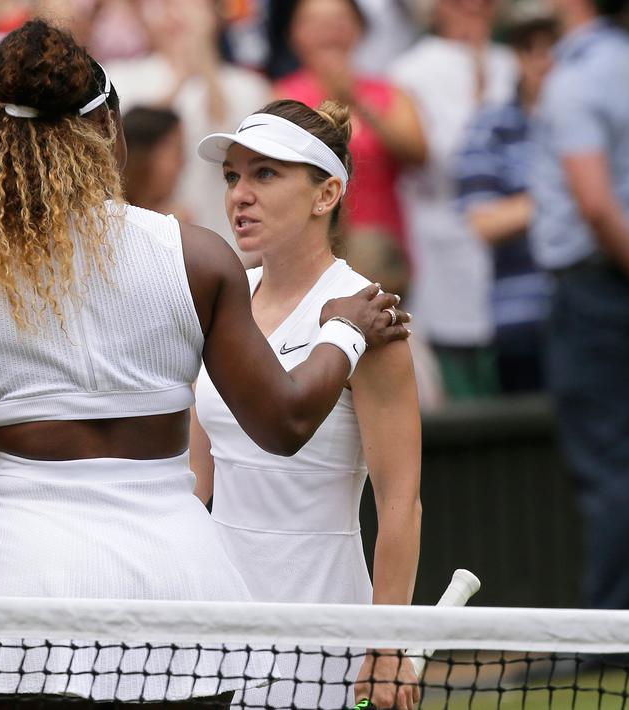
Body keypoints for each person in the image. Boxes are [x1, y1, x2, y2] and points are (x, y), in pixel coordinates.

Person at [0, 19, 408, 709]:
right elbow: (284, 422)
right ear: (107, 126)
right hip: (180, 609)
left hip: (20, 605)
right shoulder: (196, 258)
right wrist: (342, 333)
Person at [190, 99, 422, 709]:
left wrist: (389, 643)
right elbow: (194, 482)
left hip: (323, 634)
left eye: (265, 174)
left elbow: (399, 501)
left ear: (327, 195)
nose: (240, 194)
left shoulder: (368, 315)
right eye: (232, 176)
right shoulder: (221, 297)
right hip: (213, 625)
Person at [531, 0, 629, 611]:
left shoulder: (572, 79)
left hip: (599, 293)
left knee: (612, 471)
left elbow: (595, 204)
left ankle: (611, 633)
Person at [388, 0, 518, 399]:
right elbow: (438, 160)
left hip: (518, 251)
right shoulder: (408, 70)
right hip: (441, 246)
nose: (473, 6)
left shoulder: (513, 61)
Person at [105, 0, 272, 260]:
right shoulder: (120, 77)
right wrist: (179, 80)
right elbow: (127, 147)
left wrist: (206, 68)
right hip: (141, 249)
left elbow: (238, 144)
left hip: (228, 249)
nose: (177, 11)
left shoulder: (248, 86)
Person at [452, 10, 559, 395]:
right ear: (519, 56)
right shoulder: (491, 125)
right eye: (533, 48)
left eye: (556, 48)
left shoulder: (605, 119)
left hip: (602, 319)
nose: (545, 60)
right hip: (523, 320)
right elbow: (484, 223)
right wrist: (570, 193)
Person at [276, 0, 426, 263]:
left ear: (360, 30)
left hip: (382, 247)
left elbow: (418, 154)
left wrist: (357, 102)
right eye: (314, 22)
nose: (328, 31)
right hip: (309, 250)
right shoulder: (280, 96)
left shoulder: (389, 93)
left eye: (338, 21)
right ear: (294, 34)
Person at [120, 106, 188, 219]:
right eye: (178, 151)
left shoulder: (178, 221)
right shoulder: (103, 219)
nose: (183, 163)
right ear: (144, 156)